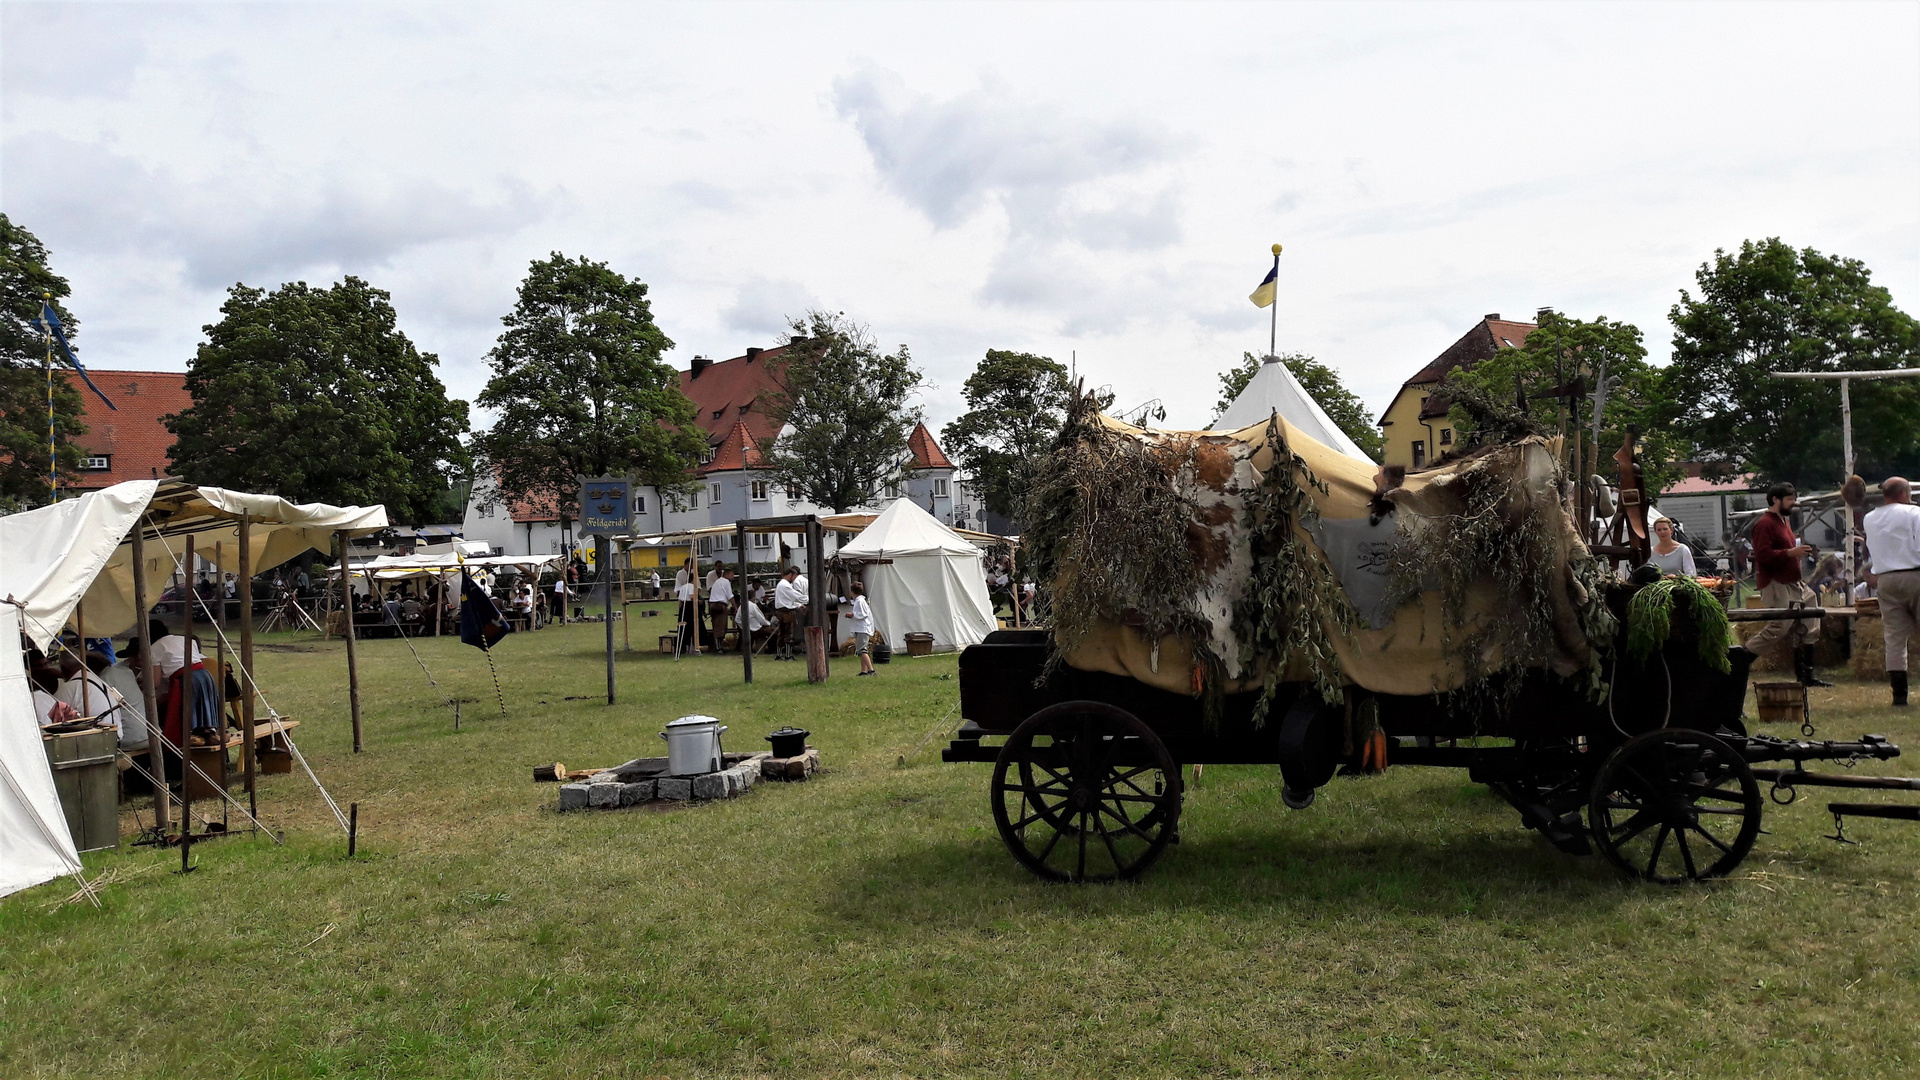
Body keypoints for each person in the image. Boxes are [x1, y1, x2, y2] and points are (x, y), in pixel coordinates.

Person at [1741, 481, 1829, 686]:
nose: (1793, 503)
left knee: (1810, 618)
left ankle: (1806, 674)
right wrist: (1791, 553)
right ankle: (1741, 658)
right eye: (1789, 499)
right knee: (1779, 626)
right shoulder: (1764, 523)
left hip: (1793, 581)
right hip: (1775, 582)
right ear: (1776, 500)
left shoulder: (1783, 522)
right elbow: (1761, 555)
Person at [1864, 475, 1920, 707]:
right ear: (1905, 494)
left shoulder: (1869, 518)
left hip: (1885, 578)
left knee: (1894, 638)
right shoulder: (1914, 513)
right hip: (1915, 573)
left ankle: (1899, 695)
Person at [845, 581, 876, 676]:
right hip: (861, 628)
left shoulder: (860, 601)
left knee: (862, 650)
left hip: (863, 629)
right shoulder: (859, 601)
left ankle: (871, 670)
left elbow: (864, 614)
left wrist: (852, 615)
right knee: (862, 650)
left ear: (852, 592)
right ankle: (864, 671)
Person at [774, 567, 805, 660]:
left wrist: (797, 605)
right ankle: (788, 655)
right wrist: (807, 599)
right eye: (794, 577)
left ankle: (779, 655)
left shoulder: (781, 584)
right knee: (789, 633)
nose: (795, 579)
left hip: (781, 611)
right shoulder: (785, 585)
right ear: (790, 575)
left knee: (781, 633)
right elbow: (795, 596)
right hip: (786, 612)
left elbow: (788, 599)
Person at [708, 568, 736, 652]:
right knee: (721, 627)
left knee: (716, 626)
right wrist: (735, 607)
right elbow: (730, 596)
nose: (732, 577)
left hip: (712, 605)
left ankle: (718, 646)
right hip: (720, 605)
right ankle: (718, 648)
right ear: (727, 575)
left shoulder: (718, 581)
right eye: (731, 575)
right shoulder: (726, 582)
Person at [674, 573, 701, 652]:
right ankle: (692, 647)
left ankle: (685, 646)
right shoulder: (692, 586)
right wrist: (699, 602)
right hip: (690, 607)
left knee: (683, 627)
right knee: (692, 627)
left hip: (683, 608)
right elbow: (691, 596)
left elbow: (680, 600)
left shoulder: (683, 587)